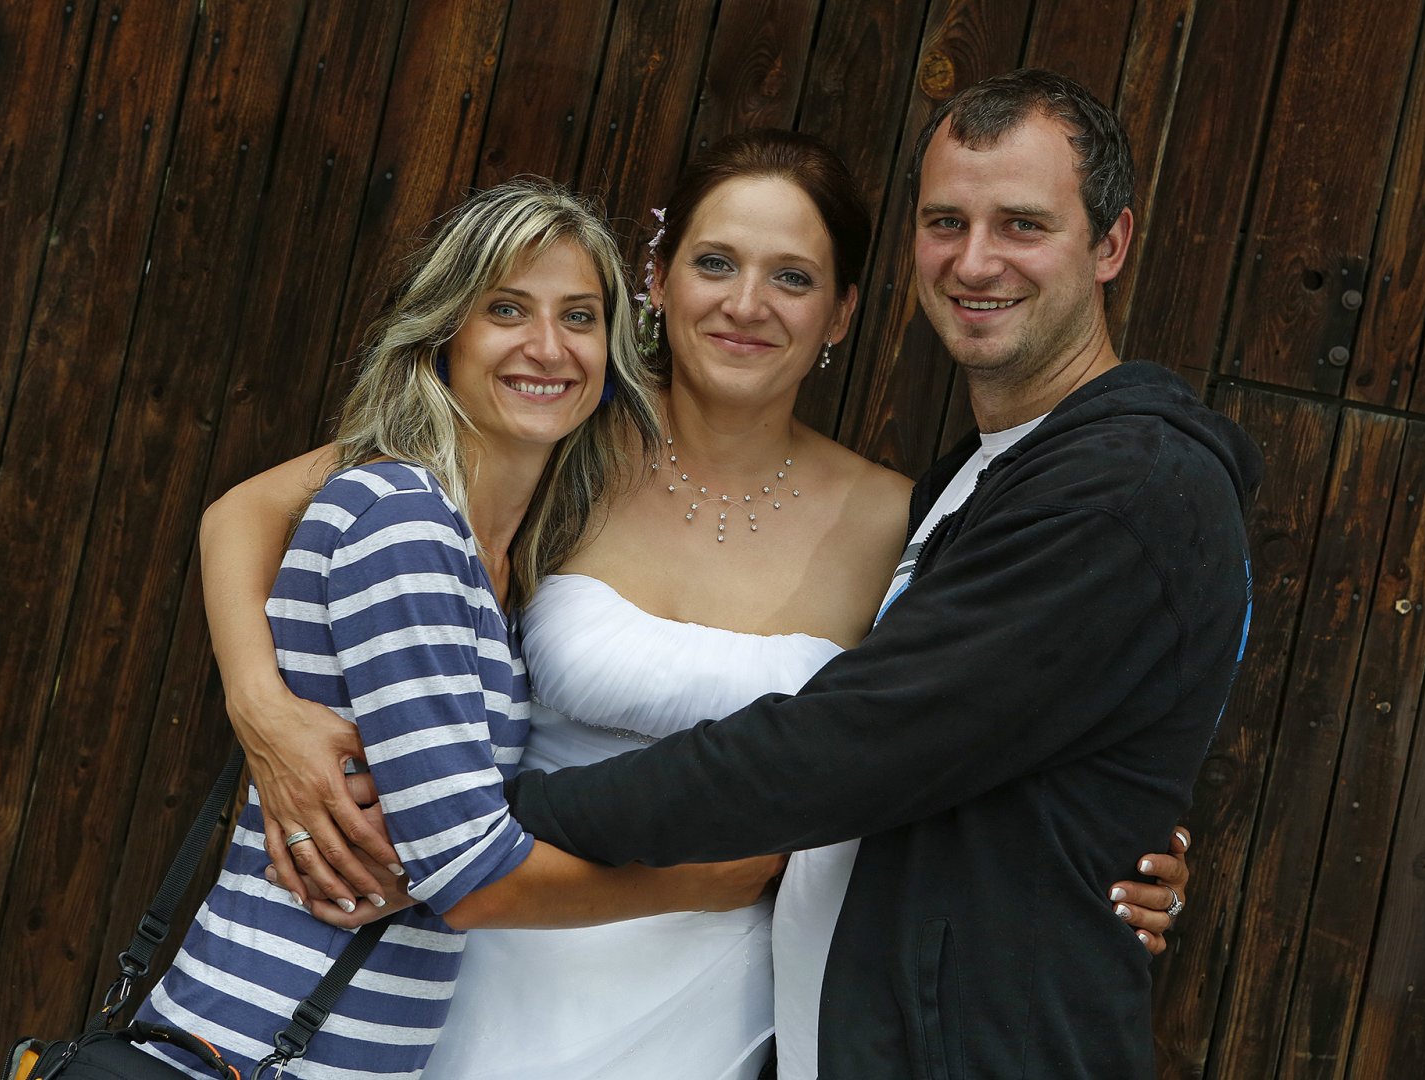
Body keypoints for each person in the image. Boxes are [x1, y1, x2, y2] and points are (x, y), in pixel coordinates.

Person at [201, 132, 1190, 1079]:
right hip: (483, 942)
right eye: (715, 263)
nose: (745, 305)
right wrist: (261, 708)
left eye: (792, 278)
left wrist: (1113, 855)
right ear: (658, 278)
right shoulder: (559, 430)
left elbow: (966, 727)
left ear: (840, 313)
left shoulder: (902, 521)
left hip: (718, 991)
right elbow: (246, 512)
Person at [496, 71, 1263, 1078]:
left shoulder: (1121, 491)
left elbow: (847, 747)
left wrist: (489, 821)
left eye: (1022, 224)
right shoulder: (977, 479)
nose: (975, 260)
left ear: (1109, 244)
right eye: (946, 222)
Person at [134, 180, 782, 1078]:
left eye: (579, 316)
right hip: (248, 1049)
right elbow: (469, 875)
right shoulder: (403, 518)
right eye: (505, 310)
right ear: (445, 337)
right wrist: (702, 883)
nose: (547, 346)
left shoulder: (496, 556)